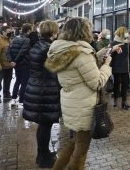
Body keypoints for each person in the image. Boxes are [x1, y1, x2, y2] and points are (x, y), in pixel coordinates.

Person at [45, 17, 112, 169]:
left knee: (73, 142)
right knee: (81, 150)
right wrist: (107, 66)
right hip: (84, 106)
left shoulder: (62, 49)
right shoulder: (82, 53)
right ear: (83, 31)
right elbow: (97, 82)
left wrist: (102, 54)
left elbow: (82, 68)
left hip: (71, 103)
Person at [23, 20, 60, 168]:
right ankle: (44, 158)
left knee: (44, 125)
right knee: (46, 124)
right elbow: (54, 70)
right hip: (45, 91)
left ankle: (42, 153)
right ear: (53, 32)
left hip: (38, 88)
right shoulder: (48, 49)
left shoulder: (38, 45)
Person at [7, 23, 32, 106]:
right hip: (24, 64)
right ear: (28, 30)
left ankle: (14, 99)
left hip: (16, 65)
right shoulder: (27, 40)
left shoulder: (14, 38)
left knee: (17, 81)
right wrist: (15, 61)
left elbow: (9, 50)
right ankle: (21, 101)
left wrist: (12, 61)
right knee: (24, 82)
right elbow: (22, 52)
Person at [110, 26, 130, 109]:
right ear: (122, 33)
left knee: (125, 85)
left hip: (125, 67)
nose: (127, 34)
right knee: (116, 84)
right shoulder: (114, 43)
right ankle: (115, 100)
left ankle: (124, 102)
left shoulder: (126, 42)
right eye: (125, 32)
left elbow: (129, 54)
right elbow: (110, 54)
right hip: (117, 67)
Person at [0, 26, 16, 103]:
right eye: (9, 31)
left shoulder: (8, 40)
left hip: (8, 66)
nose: (11, 33)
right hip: (1, 66)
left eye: (11, 31)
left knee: (8, 81)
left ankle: (6, 94)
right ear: (3, 32)